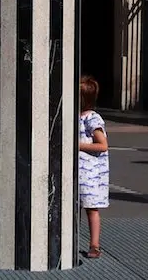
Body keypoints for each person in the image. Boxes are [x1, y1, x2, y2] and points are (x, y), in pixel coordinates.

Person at [78, 75, 110, 259]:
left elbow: (102, 145)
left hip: (90, 173)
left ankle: (94, 245)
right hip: (78, 172)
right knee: (74, 207)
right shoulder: (77, 116)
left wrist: (79, 145)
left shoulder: (92, 119)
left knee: (91, 208)